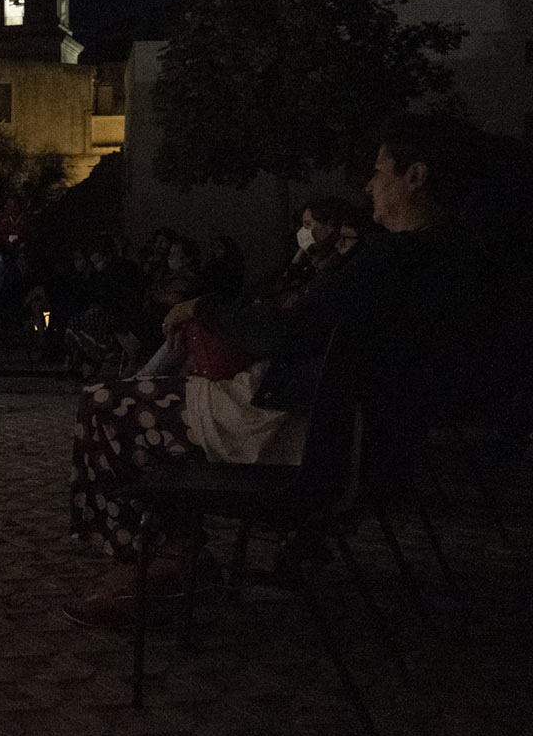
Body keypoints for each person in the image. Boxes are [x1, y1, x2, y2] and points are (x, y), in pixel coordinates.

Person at [64, 114, 486, 629]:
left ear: (415, 176)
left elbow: (288, 332)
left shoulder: (394, 261)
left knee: (105, 406)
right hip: (360, 439)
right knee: (150, 402)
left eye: (379, 171)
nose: (368, 186)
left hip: (308, 437)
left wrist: (207, 307)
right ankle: (174, 551)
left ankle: (162, 561)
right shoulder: (451, 261)